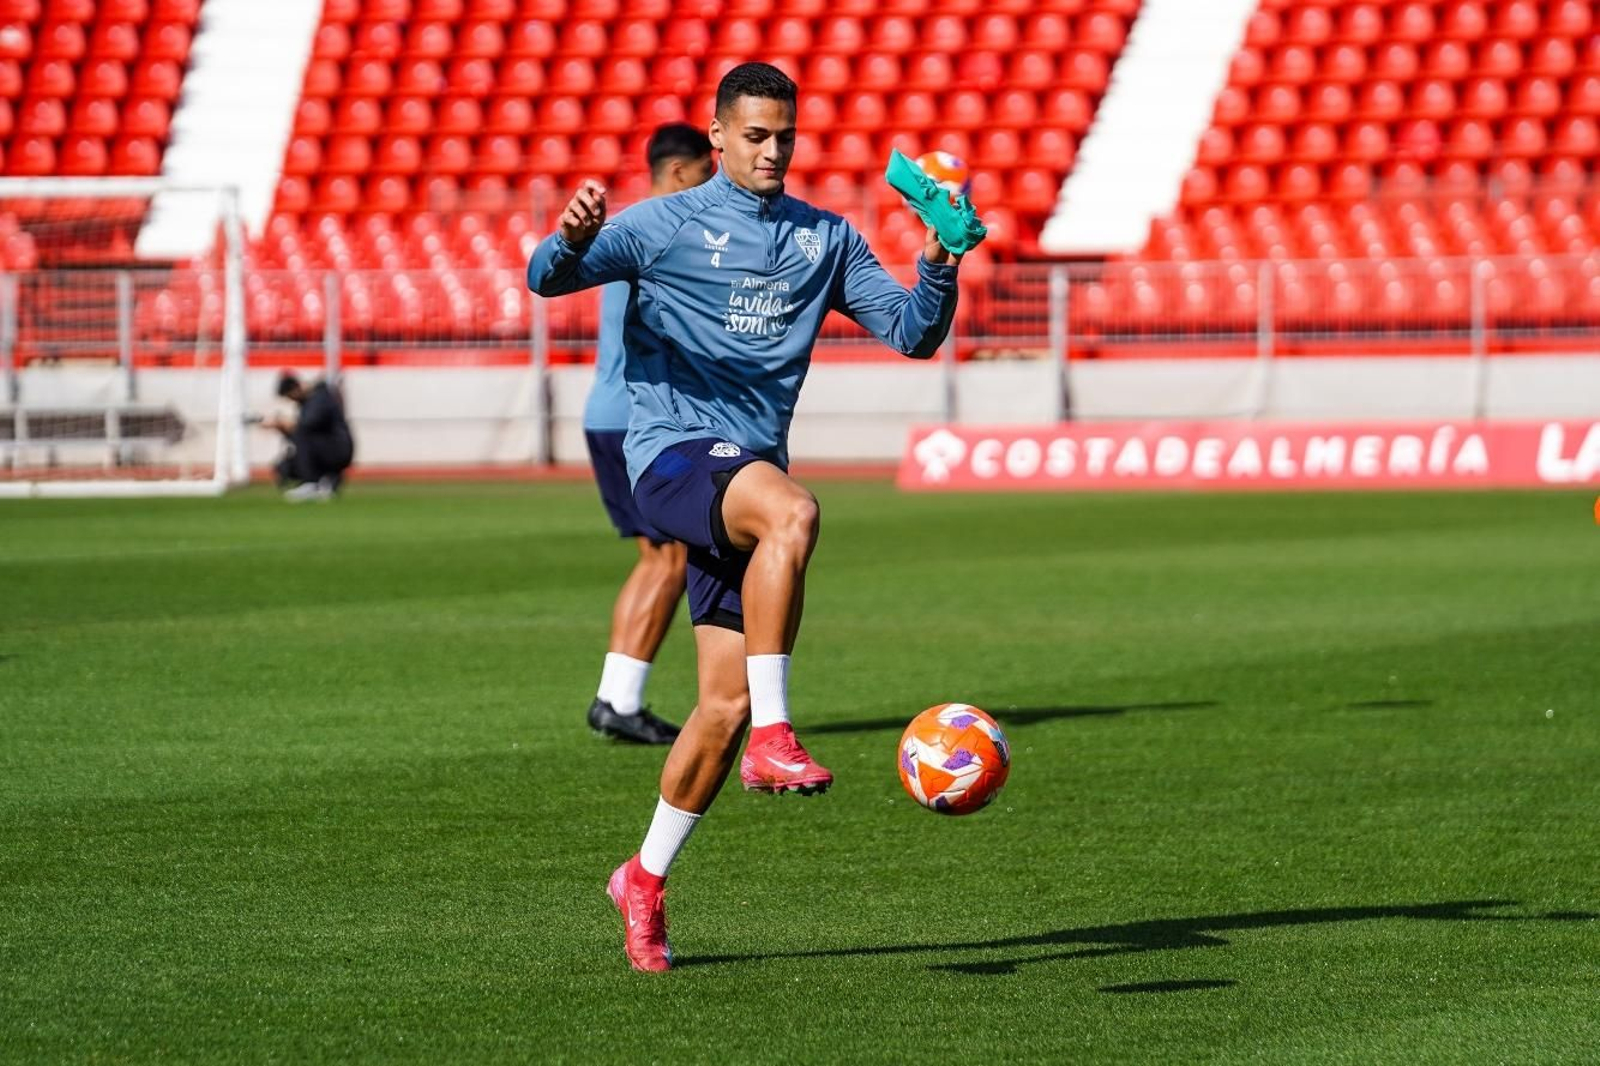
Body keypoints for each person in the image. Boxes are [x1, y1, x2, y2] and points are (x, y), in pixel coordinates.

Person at [527, 61, 963, 972]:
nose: (771, 151)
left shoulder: (824, 240)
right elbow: (544, 279)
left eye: (784, 137)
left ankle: (641, 879)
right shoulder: (661, 224)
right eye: (754, 136)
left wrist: (938, 264)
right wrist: (568, 241)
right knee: (794, 513)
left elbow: (914, 333)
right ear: (718, 136)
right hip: (671, 454)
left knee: (715, 707)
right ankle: (779, 733)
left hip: (742, 474)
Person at [583, 123, 714, 745]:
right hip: (640, 418)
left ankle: (615, 695)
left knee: (656, 557)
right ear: (681, 170)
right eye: (707, 171)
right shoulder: (669, 228)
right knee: (671, 557)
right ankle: (623, 702)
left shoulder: (632, 227)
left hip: (605, 411)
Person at [265, 371, 354, 501]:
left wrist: (285, 425)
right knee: (285, 467)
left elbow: (306, 426)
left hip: (338, 450)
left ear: (295, 389)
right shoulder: (311, 400)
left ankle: (311, 483)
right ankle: (326, 483)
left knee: (301, 435)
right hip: (329, 448)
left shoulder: (320, 397)